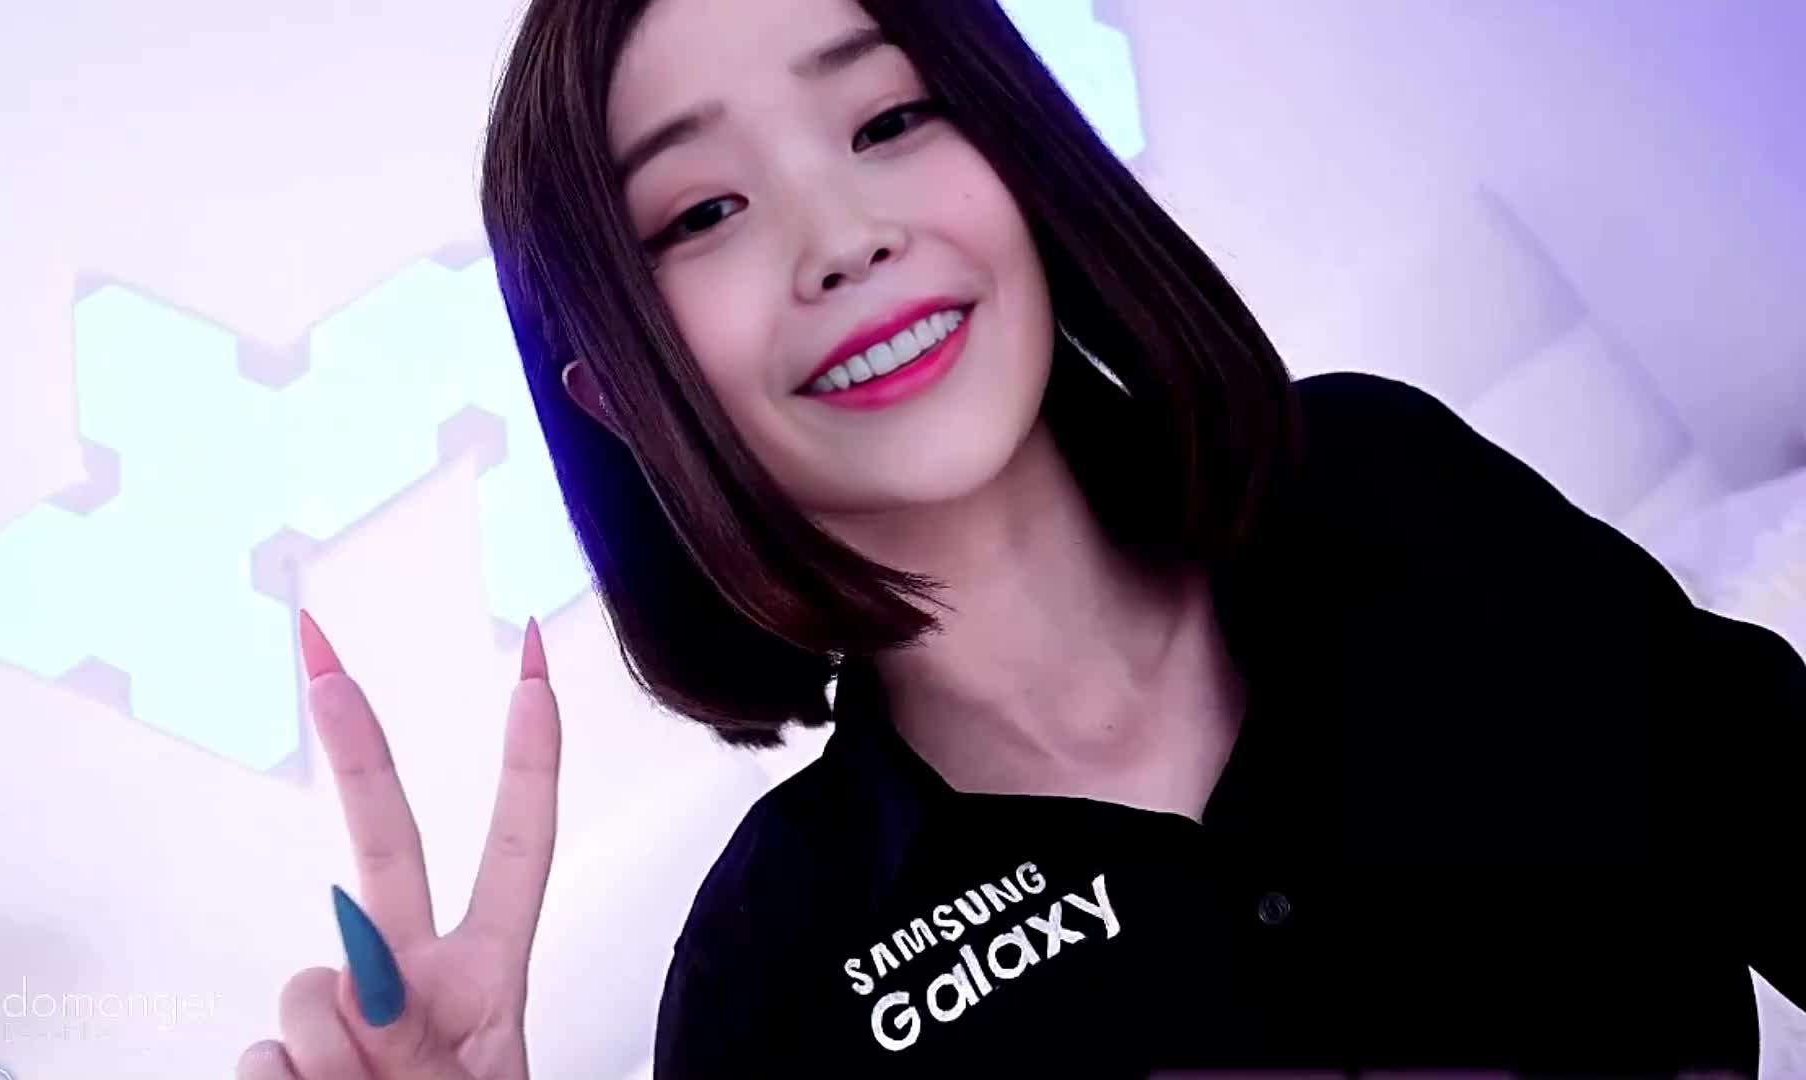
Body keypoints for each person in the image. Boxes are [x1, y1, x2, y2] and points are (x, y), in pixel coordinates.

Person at [235, 0, 1805, 1076]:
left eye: (889, 117)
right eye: (704, 211)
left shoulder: (1388, 490)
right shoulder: (770, 984)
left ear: (1015, 143)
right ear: (622, 398)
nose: (845, 238)